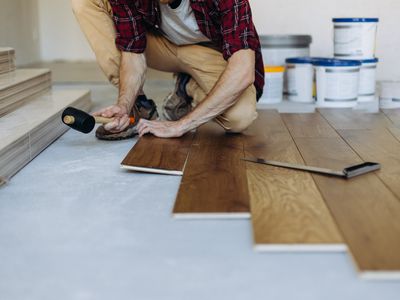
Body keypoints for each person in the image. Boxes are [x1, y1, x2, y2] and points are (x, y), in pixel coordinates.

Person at [71, 0, 264, 140]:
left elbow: (243, 69)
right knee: (85, 2)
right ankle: (138, 108)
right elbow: (132, 52)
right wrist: (124, 104)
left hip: (210, 53)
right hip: (160, 47)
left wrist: (181, 125)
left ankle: (187, 86)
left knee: (240, 117)